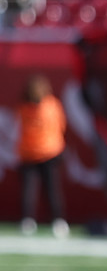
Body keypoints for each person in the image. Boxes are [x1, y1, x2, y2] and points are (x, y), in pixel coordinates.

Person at [18, 73, 69, 237]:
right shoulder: (52, 106)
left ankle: (44, 220)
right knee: (41, 190)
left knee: (45, 189)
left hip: (43, 153)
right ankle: (50, 220)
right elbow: (62, 125)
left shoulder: (27, 108)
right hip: (41, 153)